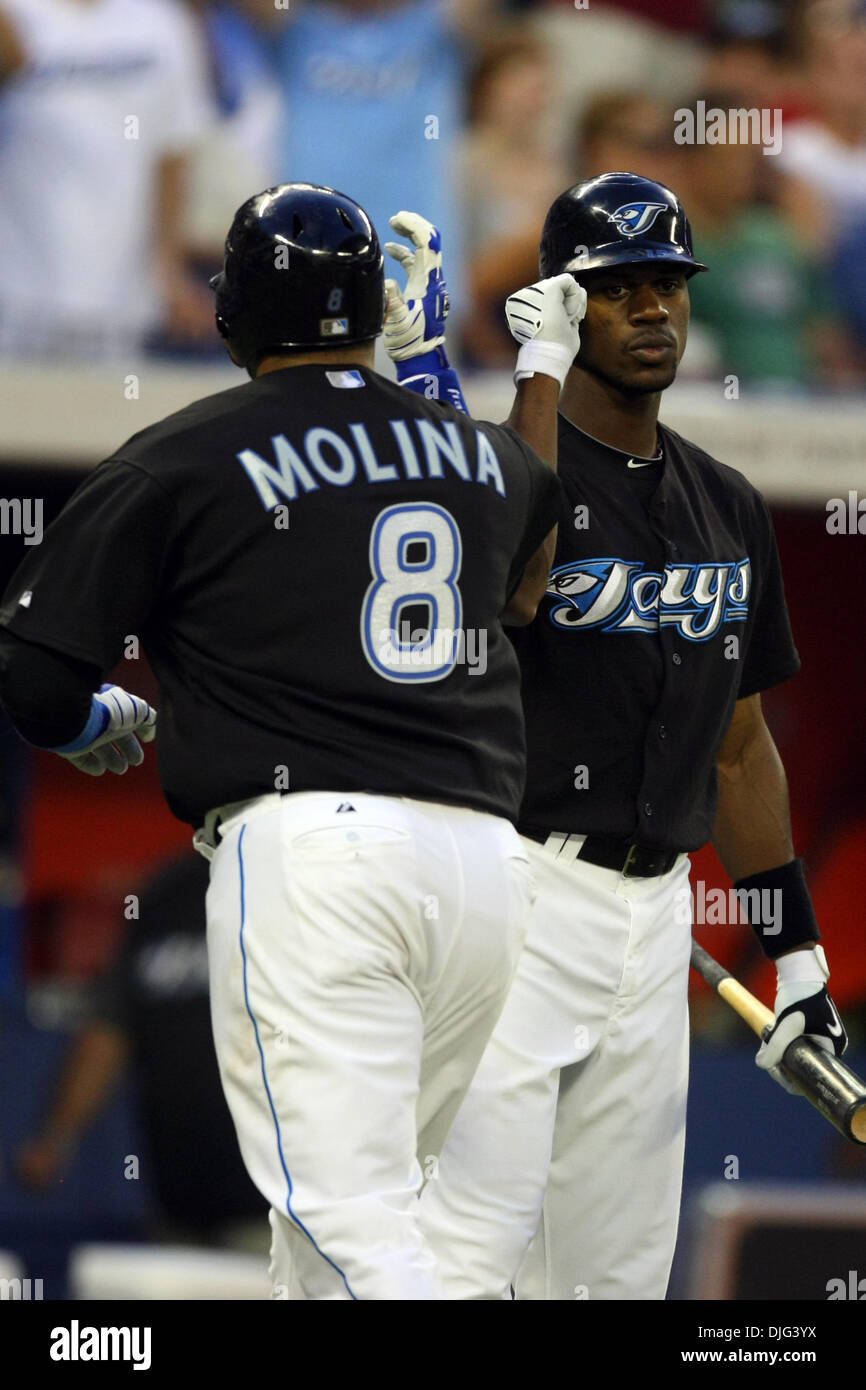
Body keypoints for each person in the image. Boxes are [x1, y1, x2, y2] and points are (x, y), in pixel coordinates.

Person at [0, 181, 584, 1300]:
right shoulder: (476, 453)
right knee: (369, 1230)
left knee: (343, 1225)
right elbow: (527, 580)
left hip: (317, 855)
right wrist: (428, 379)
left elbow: (32, 673)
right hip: (483, 866)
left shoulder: (183, 452)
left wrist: (91, 722)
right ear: (372, 311)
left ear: (236, 312)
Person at [390, 171, 850, 1300]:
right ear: (557, 302)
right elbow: (515, 574)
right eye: (615, 288)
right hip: (515, 893)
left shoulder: (725, 500)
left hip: (655, 921)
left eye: (666, 285)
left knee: (615, 1279)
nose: (652, 309)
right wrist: (532, 374)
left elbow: (738, 748)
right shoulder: (500, 470)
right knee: (463, 1260)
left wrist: (794, 951)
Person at [16, 851, 269, 1256]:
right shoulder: (165, 894)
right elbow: (110, 1031)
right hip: (176, 1204)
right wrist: (55, 1139)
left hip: (282, 1207)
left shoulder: (298, 886)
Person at [0, 0, 214, 359]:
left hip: (121, 300)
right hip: (16, 293)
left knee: (113, 409)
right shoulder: (14, 14)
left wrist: (170, 271)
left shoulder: (162, 23)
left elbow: (174, 151)